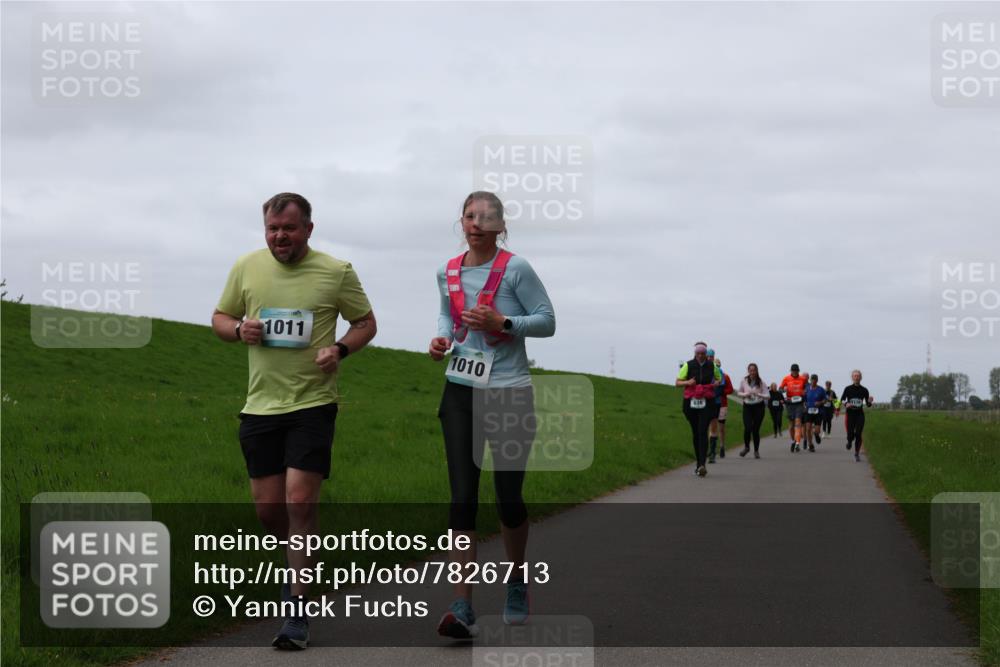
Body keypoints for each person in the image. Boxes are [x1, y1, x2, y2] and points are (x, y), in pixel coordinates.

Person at [213, 192, 377, 650]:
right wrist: (237, 330)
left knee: (300, 502)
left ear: (308, 228)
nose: (279, 236)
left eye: (288, 228)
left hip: (313, 403)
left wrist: (340, 349)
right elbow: (220, 317)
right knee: (269, 511)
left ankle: (297, 611)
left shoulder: (336, 271)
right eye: (272, 228)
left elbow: (365, 322)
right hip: (260, 407)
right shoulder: (246, 267)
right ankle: (297, 571)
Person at [429, 191, 555, 639]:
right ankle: (461, 604)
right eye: (469, 215)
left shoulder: (516, 269)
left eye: (486, 217)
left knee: (508, 497)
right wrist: (441, 339)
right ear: (460, 221)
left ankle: (516, 579)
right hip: (461, 389)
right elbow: (448, 317)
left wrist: (504, 323)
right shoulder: (447, 270)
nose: (476, 223)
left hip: (508, 392)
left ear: (501, 226)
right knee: (462, 496)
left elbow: (546, 320)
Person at [676, 342, 723, 478]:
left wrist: (716, 383)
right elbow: (677, 382)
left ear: (706, 354)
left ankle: (702, 464)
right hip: (690, 403)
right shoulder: (688, 365)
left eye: (703, 353)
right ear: (695, 354)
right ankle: (698, 463)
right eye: (699, 353)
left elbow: (719, 379)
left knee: (703, 431)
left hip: (707, 402)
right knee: (696, 433)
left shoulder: (712, 365)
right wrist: (688, 382)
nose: (701, 356)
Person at [737, 363, 770, 458]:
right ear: (748, 371)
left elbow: (768, 396)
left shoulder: (761, 382)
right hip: (747, 407)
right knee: (747, 428)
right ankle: (746, 447)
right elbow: (739, 392)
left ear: (757, 371)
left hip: (758, 407)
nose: (752, 372)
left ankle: (756, 451)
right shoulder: (744, 381)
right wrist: (745, 394)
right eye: (750, 370)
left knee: (755, 430)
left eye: (754, 370)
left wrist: (760, 395)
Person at [707, 353, 734, 463]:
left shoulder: (725, 376)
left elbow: (731, 389)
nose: (717, 366)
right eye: (715, 365)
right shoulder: (710, 375)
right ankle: (711, 449)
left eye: (718, 365)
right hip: (712, 403)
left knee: (721, 427)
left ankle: (722, 446)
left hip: (722, 404)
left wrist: (722, 392)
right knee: (711, 427)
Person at [841, 369, 873, 462]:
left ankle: (856, 453)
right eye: (855, 376)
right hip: (850, 414)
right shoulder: (847, 389)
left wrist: (870, 402)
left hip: (859, 414)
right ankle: (850, 441)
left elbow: (867, 404)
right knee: (850, 434)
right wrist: (846, 403)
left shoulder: (864, 390)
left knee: (858, 434)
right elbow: (842, 399)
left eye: (858, 376)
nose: (856, 377)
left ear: (861, 378)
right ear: (852, 377)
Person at [779, 364, 808, 452]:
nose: (795, 372)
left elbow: (807, 388)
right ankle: (793, 441)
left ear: (798, 371)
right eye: (793, 371)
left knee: (798, 422)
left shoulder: (803, 379)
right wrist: (783, 390)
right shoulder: (786, 378)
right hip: (790, 403)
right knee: (791, 425)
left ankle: (797, 443)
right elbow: (780, 388)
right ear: (791, 371)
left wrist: (805, 392)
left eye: (796, 371)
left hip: (799, 403)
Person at [804, 374, 827, 452]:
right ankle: (810, 445)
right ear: (810, 380)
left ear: (817, 381)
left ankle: (816, 435)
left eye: (814, 380)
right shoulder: (807, 389)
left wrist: (820, 402)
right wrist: (804, 405)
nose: (813, 381)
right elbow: (804, 399)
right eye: (812, 380)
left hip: (818, 412)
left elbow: (825, 400)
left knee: (816, 430)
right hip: (809, 411)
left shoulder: (821, 389)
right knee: (808, 429)